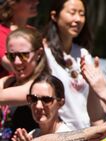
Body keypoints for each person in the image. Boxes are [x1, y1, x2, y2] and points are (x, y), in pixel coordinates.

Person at [44, 0, 93, 131]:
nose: (78, 19)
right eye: (72, 13)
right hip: (60, 134)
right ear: (54, 16)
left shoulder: (83, 53)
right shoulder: (44, 53)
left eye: (82, 14)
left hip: (87, 133)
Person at [0, 0, 39, 79]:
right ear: (13, 3)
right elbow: (13, 66)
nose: (36, 2)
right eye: (29, 0)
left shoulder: (33, 31)